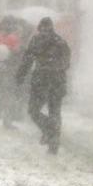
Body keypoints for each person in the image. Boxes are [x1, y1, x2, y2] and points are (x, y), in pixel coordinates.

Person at [16, 17, 71, 155]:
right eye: (44, 28)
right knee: (54, 113)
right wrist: (55, 69)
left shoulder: (36, 40)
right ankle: (53, 141)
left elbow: (27, 60)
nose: (44, 31)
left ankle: (49, 133)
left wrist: (20, 76)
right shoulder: (60, 42)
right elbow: (66, 63)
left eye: (46, 28)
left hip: (41, 81)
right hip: (56, 81)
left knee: (34, 111)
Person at [0, 19, 22, 129]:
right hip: (8, 72)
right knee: (7, 97)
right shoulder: (13, 38)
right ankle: (6, 121)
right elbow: (16, 55)